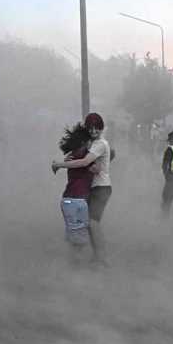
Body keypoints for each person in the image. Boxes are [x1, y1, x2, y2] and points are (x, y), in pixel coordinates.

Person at [52, 113, 112, 266]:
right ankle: (98, 257)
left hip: (101, 187)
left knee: (93, 223)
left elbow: (84, 162)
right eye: (90, 128)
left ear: (101, 127)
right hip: (94, 187)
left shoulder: (99, 143)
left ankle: (101, 258)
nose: (93, 131)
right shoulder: (93, 144)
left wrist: (60, 165)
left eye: (96, 128)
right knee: (89, 224)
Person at [53, 122, 94, 255]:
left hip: (73, 201)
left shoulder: (75, 155)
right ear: (84, 142)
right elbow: (92, 166)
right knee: (78, 237)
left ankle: (75, 264)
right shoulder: (82, 156)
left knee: (77, 235)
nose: (91, 143)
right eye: (89, 141)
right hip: (74, 201)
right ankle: (75, 266)